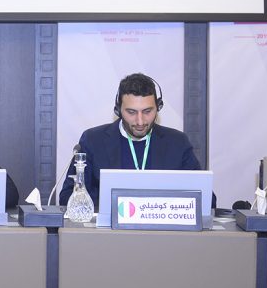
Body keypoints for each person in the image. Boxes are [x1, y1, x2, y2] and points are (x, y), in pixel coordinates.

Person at [59, 73, 201, 206]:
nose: (140, 121)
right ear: (118, 110)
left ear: (158, 108)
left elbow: (204, 198)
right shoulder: (93, 141)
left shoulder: (177, 143)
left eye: (147, 111)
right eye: (131, 112)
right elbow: (67, 198)